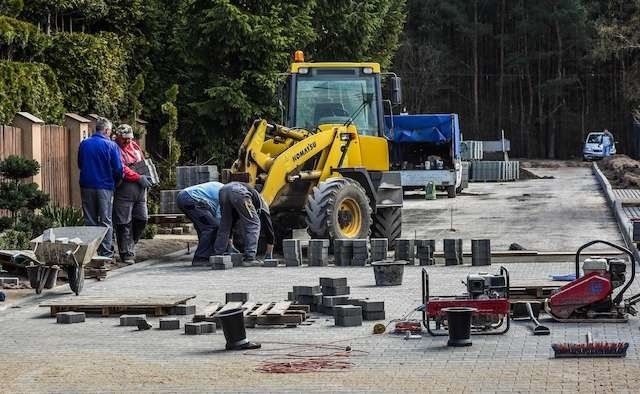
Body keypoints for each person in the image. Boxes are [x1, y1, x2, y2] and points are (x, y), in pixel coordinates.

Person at [78, 117, 123, 258]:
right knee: (105, 220)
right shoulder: (111, 146)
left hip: (86, 185)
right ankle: (106, 253)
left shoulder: (84, 144)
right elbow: (118, 169)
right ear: (107, 130)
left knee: (89, 220)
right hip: (105, 186)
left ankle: (91, 253)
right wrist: (117, 183)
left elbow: (80, 164)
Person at [112, 124, 153, 264]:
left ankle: (131, 244)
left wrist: (148, 176)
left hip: (140, 190)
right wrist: (138, 177)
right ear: (118, 137)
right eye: (124, 139)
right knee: (123, 222)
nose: (127, 141)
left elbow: (142, 163)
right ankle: (126, 252)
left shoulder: (135, 147)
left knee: (142, 218)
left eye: (129, 138)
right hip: (124, 188)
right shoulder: (114, 148)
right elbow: (120, 168)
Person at [214, 182, 274, 266]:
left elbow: (231, 224)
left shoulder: (246, 202)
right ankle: (250, 258)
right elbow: (269, 229)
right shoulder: (263, 206)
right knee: (254, 224)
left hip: (223, 191)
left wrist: (231, 246)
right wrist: (269, 254)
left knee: (225, 223)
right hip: (238, 192)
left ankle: (218, 255)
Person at [176, 181, 236, 265]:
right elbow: (220, 221)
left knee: (204, 228)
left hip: (185, 197)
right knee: (211, 227)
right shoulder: (226, 196)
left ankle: (205, 255)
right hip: (191, 199)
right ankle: (201, 258)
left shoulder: (224, 189)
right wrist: (227, 242)